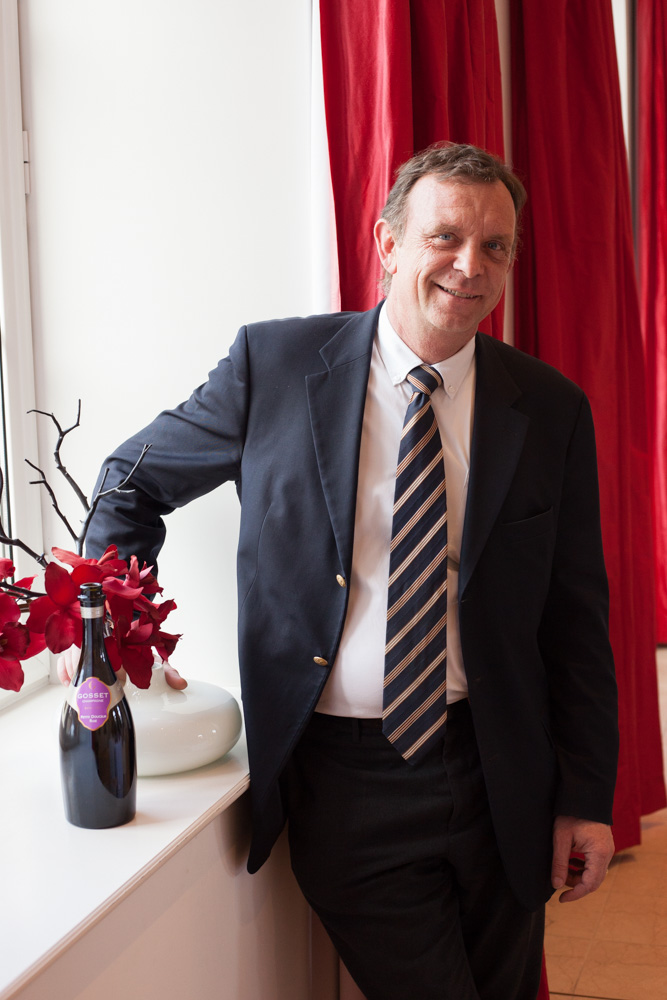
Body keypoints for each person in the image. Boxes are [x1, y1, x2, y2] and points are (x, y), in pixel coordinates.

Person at [83, 143, 618, 1000]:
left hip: (500, 773)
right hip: (344, 781)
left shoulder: (548, 407)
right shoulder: (275, 367)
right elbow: (129, 479)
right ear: (387, 243)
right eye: (444, 237)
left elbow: (575, 619)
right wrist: (116, 635)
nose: (468, 267)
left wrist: (586, 793)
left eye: (495, 247)